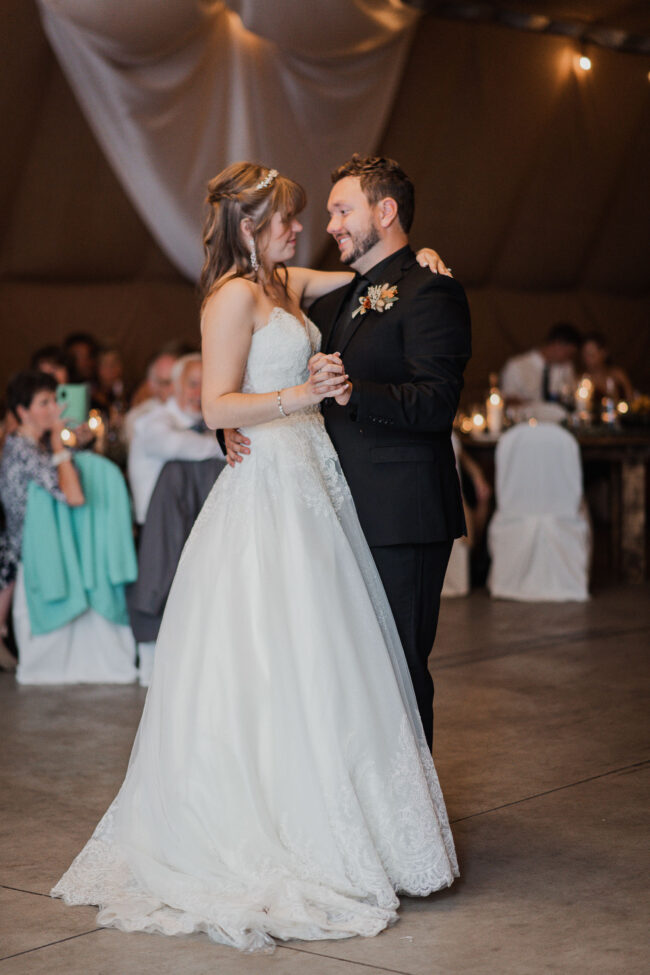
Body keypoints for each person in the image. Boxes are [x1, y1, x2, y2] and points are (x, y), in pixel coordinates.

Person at [52, 162, 458, 951]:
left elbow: (363, 275)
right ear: (248, 225)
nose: (301, 227)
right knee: (270, 657)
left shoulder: (281, 281)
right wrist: (294, 400)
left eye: (307, 215)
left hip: (316, 491)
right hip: (268, 486)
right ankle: (269, 830)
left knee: (332, 658)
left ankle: (352, 823)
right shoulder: (233, 296)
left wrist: (426, 261)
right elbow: (215, 403)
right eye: (286, 218)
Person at [225, 154, 471, 748]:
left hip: (400, 513)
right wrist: (229, 425)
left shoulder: (431, 293)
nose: (329, 224)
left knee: (399, 670)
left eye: (342, 210)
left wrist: (355, 393)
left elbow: (437, 404)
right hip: (333, 514)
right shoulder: (334, 300)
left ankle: (415, 828)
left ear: (384, 212)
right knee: (350, 675)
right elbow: (261, 365)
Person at [0, 371, 86, 671]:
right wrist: (61, 444)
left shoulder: (30, 444)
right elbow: (73, 496)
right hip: (22, 546)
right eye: (44, 402)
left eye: (55, 400)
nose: (54, 409)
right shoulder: (23, 449)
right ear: (23, 411)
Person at [127, 353, 224, 525]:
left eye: (205, 384)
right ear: (175, 386)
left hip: (192, 522)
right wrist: (224, 447)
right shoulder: (152, 421)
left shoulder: (207, 424)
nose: (199, 393)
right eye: (193, 384)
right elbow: (173, 444)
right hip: (157, 528)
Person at [500, 322, 581, 407]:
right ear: (558, 345)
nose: (569, 359)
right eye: (569, 354)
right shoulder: (516, 366)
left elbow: (570, 395)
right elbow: (508, 399)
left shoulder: (566, 367)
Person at [123, 349, 178, 445]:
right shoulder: (138, 417)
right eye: (166, 383)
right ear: (152, 385)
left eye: (178, 381)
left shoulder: (192, 411)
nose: (174, 389)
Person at [580, 331, 634, 403]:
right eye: (585, 355)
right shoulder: (582, 380)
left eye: (592, 354)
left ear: (604, 353)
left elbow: (631, 399)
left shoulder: (618, 375)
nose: (587, 359)